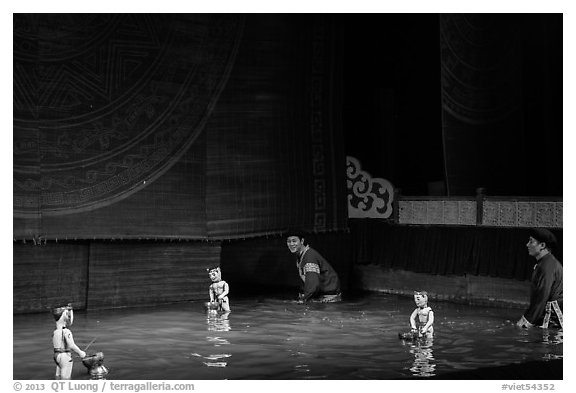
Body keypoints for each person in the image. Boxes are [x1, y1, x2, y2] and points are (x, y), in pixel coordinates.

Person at [517, 228, 563, 329]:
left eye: (531, 241)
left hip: (553, 318)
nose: (527, 245)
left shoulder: (548, 265)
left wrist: (527, 322)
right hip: (547, 314)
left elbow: (542, 296)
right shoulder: (544, 263)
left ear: (542, 245)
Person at [285, 229, 341, 303]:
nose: (291, 244)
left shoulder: (309, 257)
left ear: (302, 241)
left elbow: (313, 283)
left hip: (327, 296)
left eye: (294, 241)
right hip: (320, 294)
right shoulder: (302, 255)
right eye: (289, 241)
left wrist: (303, 299)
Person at [52, 303, 86, 380]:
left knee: (58, 376)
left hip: (56, 356)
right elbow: (71, 345)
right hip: (65, 357)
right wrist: (81, 353)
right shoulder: (66, 331)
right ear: (64, 315)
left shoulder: (55, 331)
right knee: (65, 378)